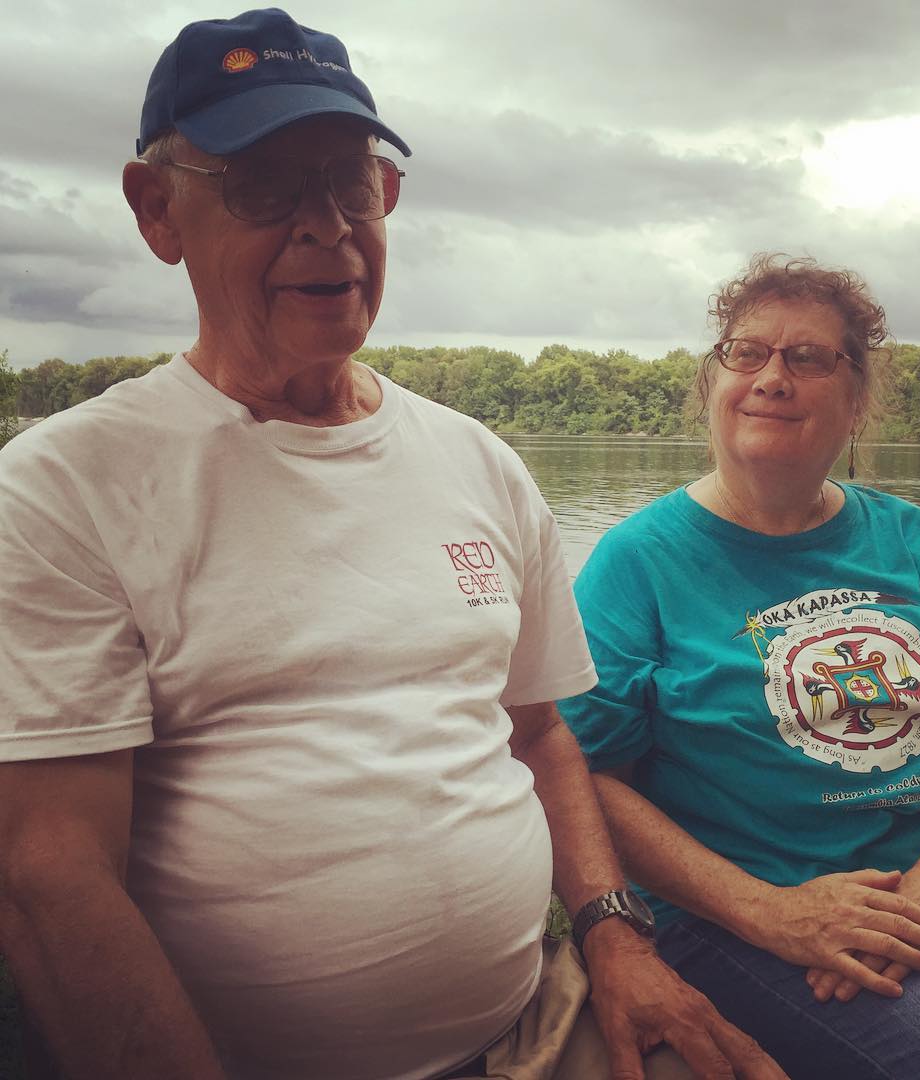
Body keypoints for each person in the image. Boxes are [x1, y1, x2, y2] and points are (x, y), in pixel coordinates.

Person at [0, 11, 788, 1080]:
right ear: (158, 210)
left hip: (536, 1030)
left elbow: (542, 735)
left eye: (348, 182)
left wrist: (612, 931)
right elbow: (50, 873)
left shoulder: (479, 462)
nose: (325, 225)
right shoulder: (64, 485)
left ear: (391, 199)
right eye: (264, 187)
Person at [557, 253, 920, 1080]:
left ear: (857, 401)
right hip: (746, 905)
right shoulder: (636, 564)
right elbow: (586, 777)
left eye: (807, 358)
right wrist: (772, 915)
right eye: (747, 352)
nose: (771, 377)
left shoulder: (913, 539)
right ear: (711, 383)